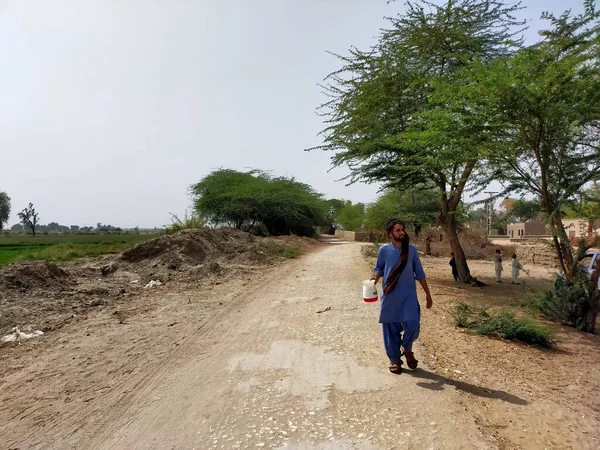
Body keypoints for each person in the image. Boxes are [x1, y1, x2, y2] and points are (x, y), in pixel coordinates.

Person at [371, 219, 433, 374]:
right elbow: (379, 268)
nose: (401, 232)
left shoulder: (411, 250)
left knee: (412, 324)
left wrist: (428, 294)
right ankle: (395, 360)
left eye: (402, 229)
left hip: (408, 295)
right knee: (390, 328)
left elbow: (419, 273)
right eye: (397, 230)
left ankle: (407, 348)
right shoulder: (384, 250)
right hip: (390, 294)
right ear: (390, 234)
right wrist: (373, 281)